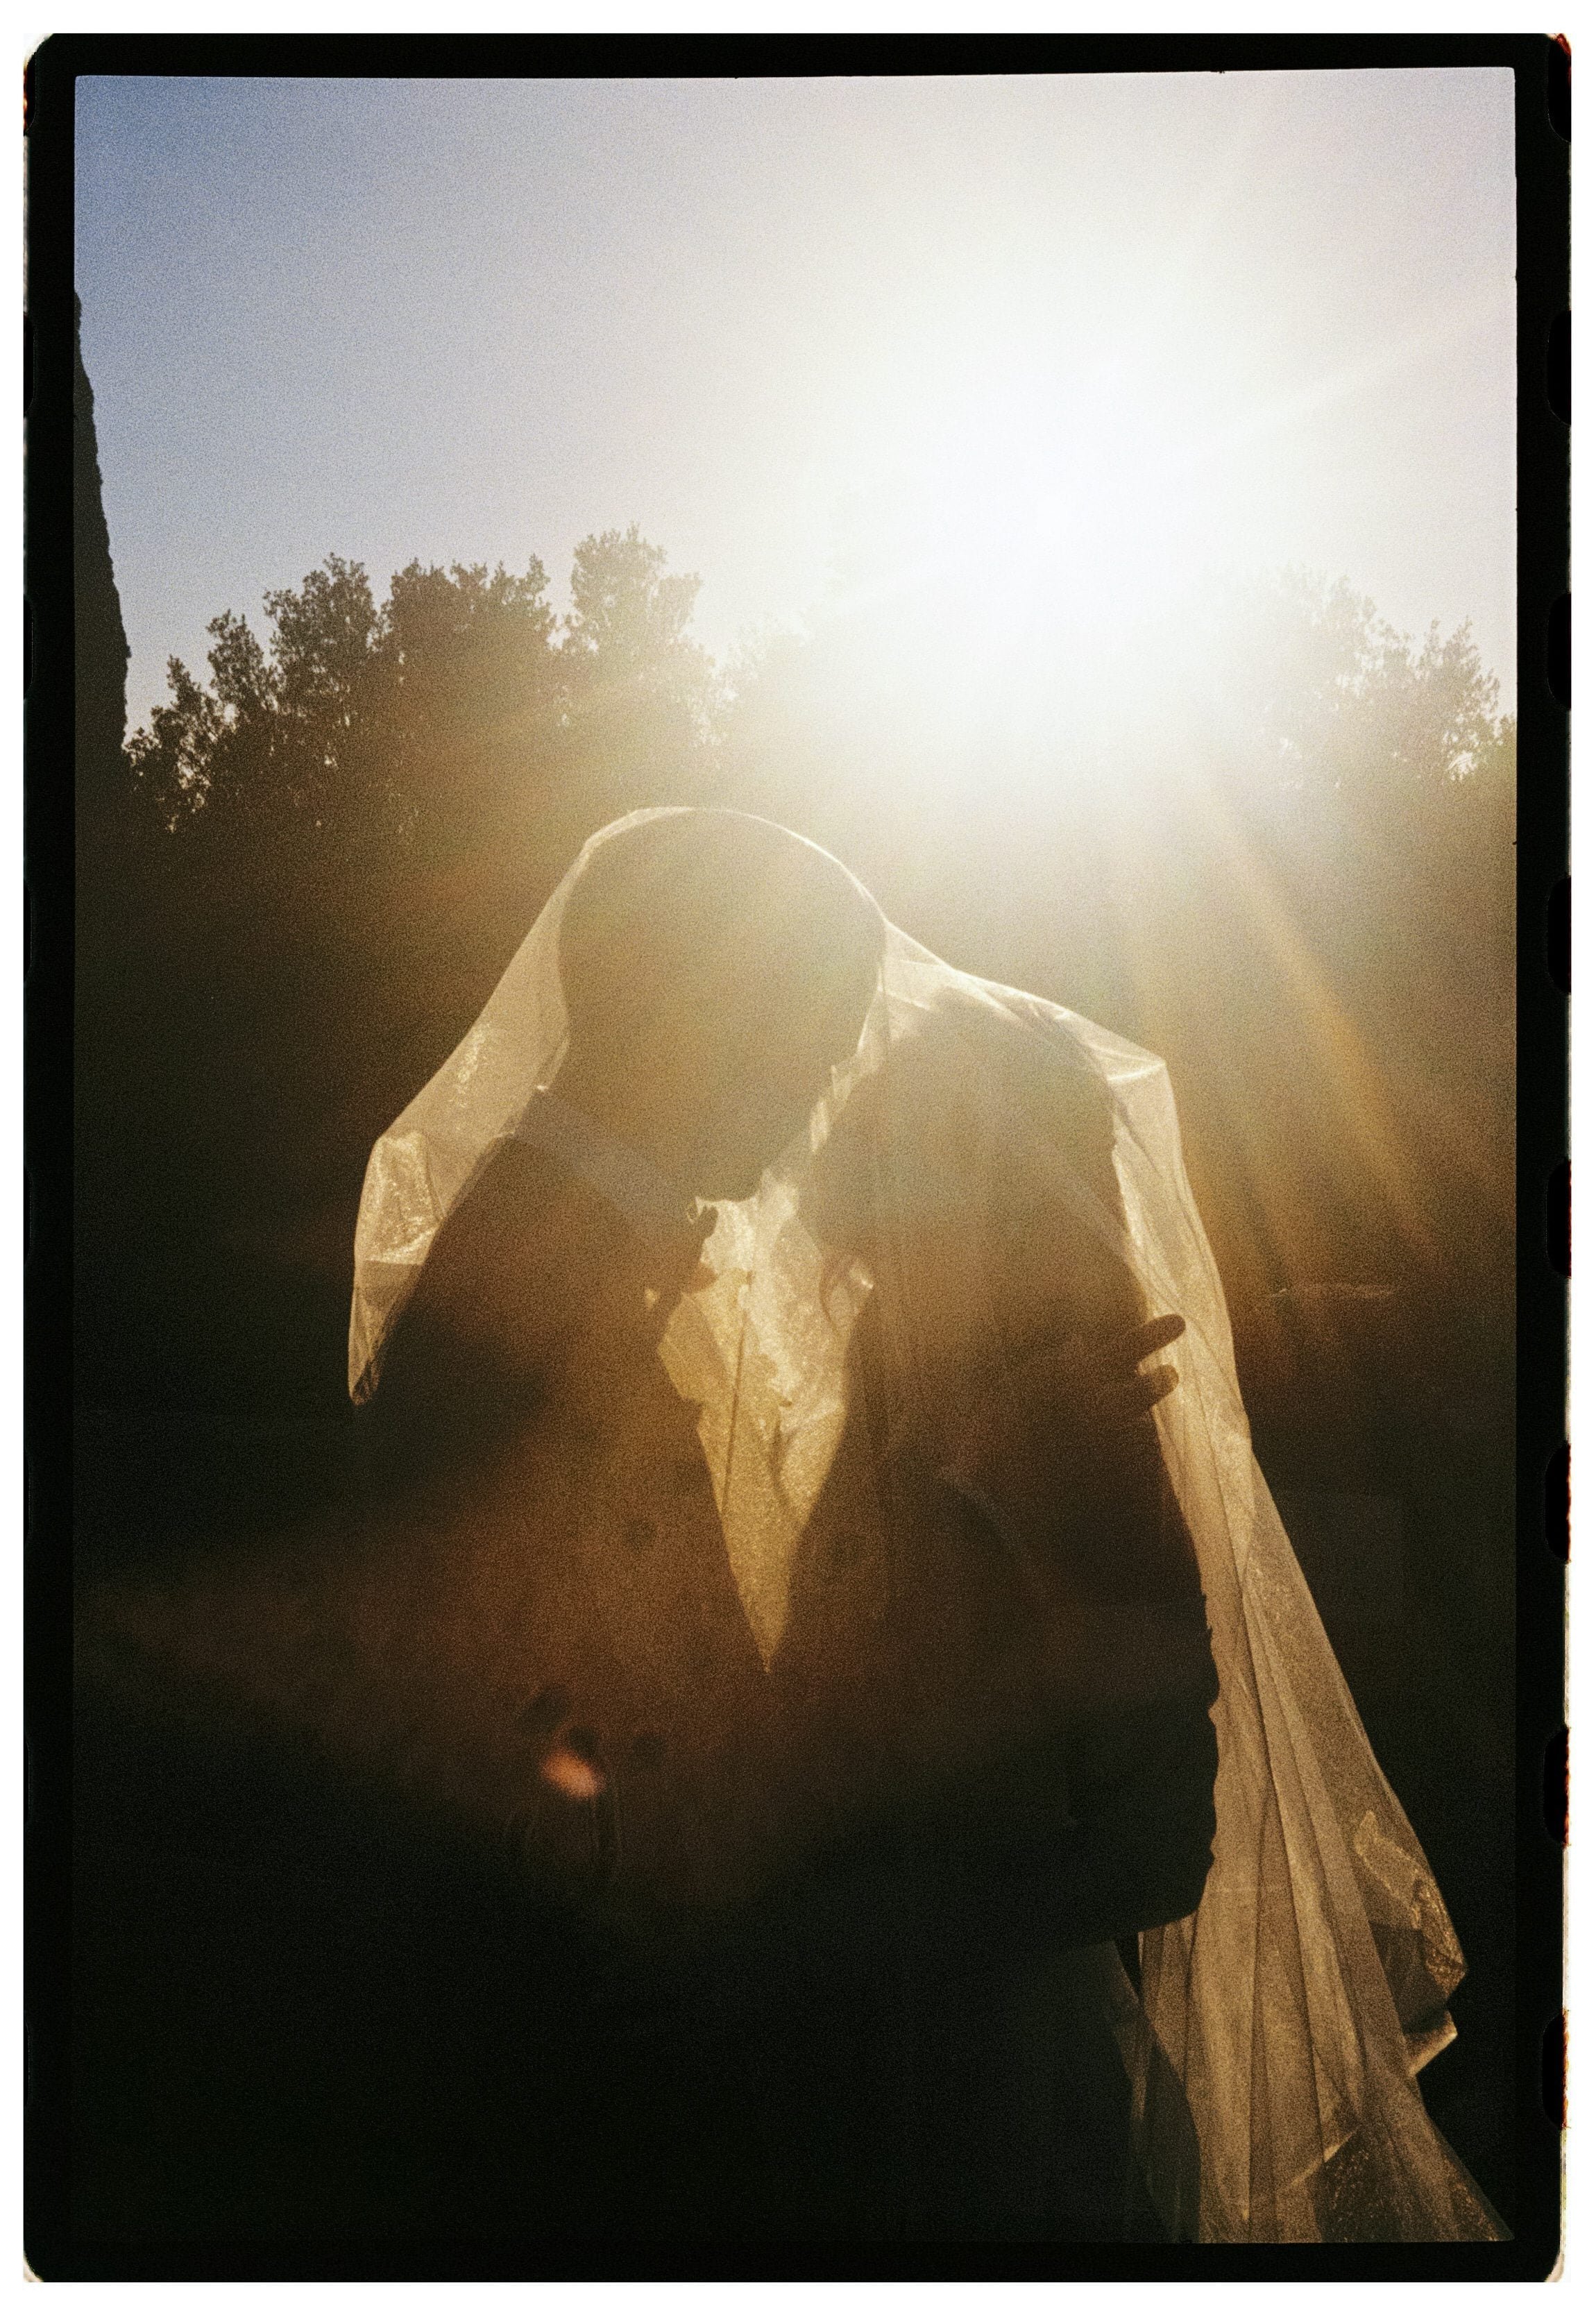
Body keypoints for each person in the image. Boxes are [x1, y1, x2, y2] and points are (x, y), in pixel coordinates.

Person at [348, 808, 1501, 2243]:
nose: (828, 1126)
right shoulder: (773, 1384)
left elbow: (1150, 1845)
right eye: (837, 1075)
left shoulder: (1082, 1430)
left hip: (962, 2103)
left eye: (879, 1118)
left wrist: (785, 1944)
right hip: (745, 2092)